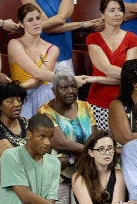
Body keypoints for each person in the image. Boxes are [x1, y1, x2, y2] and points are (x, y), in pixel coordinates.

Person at [38, 65, 97, 203]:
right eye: (64, 88)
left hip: (84, 172)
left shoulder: (85, 106)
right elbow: (61, 144)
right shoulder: (45, 111)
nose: (70, 91)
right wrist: (92, 153)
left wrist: (92, 151)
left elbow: (94, 137)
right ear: (54, 91)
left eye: (74, 87)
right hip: (59, 175)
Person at [86, 0, 137, 131]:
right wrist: (129, 77)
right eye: (112, 10)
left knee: (126, 148)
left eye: (120, 9)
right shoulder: (93, 38)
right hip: (98, 103)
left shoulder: (132, 38)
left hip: (125, 102)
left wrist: (95, 79)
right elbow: (107, 69)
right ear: (102, 14)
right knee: (101, 148)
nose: (117, 14)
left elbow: (130, 74)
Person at [8, 3, 58, 117]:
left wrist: (14, 88)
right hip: (20, 96)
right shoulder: (14, 44)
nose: (36, 23)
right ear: (21, 24)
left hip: (44, 95)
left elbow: (39, 78)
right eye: (30, 20)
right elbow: (37, 73)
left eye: (38, 18)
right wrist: (16, 91)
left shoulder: (53, 49)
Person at [0, 114, 60, 203]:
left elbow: (51, 199)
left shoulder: (54, 163)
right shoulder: (11, 156)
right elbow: (25, 196)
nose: (47, 142)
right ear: (29, 134)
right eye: (42, 136)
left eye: (51, 136)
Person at [71, 131, 127, 203]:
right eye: (101, 149)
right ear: (91, 152)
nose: (107, 153)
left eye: (110, 148)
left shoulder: (119, 175)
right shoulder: (79, 177)